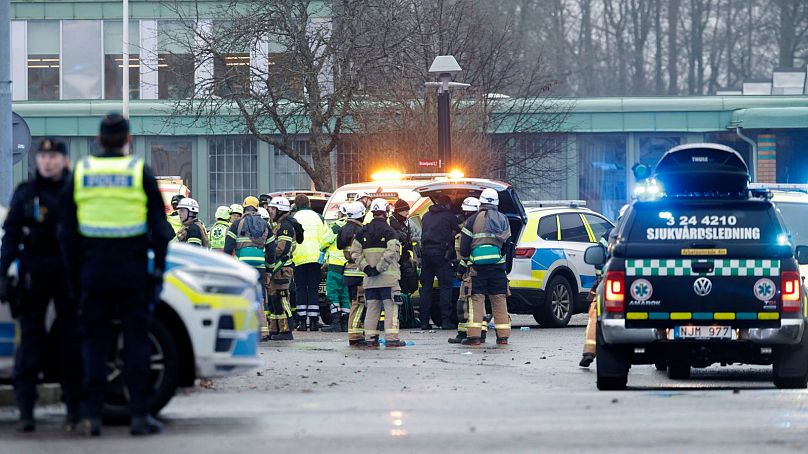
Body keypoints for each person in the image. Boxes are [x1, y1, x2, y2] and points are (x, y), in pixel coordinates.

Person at [60, 113, 173, 436]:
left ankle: (92, 417)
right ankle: (139, 416)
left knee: (94, 343)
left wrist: (74, 275)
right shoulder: (139, 172)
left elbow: (66, 231)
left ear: (98, 139)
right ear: (128, 140)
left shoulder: (81, 172)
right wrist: (158, 271)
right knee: (135, 342)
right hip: (132, 270)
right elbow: (161, 230)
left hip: (92, 271)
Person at [0, 138, 82, 433]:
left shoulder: (76, 192)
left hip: (68, 275)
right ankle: (26, 412)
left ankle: (74, 411)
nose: (47, 161)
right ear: (37, 161)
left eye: (53, 156)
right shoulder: (26, 193)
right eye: (43, 156)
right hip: (33, 274)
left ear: (64, 160)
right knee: (30, 344)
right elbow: (10, 236)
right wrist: (1, 273)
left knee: (72, 344)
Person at [458, 188, 512, 346]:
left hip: (478, 268)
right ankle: (503, 337)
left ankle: (474, 337)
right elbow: (507, 244)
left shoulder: (473, 220)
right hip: (498, 267)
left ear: (481, 201)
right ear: (496, 202)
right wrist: (499, 257)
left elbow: (465, 247)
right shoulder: (503, 219)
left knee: (476, 300)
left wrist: (468, 259)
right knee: (499, 300)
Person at [350, 199, 406, 348]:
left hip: (370, 280)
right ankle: (392, 338)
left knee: (372, 309)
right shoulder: (390, 231)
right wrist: (379, 268)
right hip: (388, 279)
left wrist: (367, 268)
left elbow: (355, 253)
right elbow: (392, 252)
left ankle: (370, 338)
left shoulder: (362, 231)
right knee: (391, 308)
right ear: (386, 212)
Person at [580, 204, 629, 367]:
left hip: (611, 284)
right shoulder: (647, 232)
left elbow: (598, 258)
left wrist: (600, 279)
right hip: (643, 288)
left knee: (595, 313)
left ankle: (589, 351)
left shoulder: (610, 235)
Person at [224, 196, 274, 341]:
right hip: (259, 265)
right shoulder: (265, 225)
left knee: (242, 295)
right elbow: (271, 250)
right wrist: (269, 270)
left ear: (244, 208)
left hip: (242, 265)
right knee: (259, 297)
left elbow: (228, 247)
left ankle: (244, 330)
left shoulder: (237, 224)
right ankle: (263, 331)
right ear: (257, 208)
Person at [449, 197, 487, 344]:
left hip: (471, 269)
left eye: (467, 212)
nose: (465, 215)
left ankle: (475, 333)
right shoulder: (471, 226)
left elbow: (466, 251)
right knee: (468, 302)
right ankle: (466, 332)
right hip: (470, 268)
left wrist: (461, 268)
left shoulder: (471, 228)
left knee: (470, 302)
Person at [419, 194, 460, 330]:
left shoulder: (426, 216)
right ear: (447, 205)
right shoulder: (449, 216)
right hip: (442, 255)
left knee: (426, 288)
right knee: (445, 287)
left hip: (426, 254)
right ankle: (446, 321)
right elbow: (461, 230)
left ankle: (424, 322)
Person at [264, 197, 298, 340]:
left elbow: (281, 249)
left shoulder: (285, 227)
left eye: (272, 209)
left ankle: (286, 330)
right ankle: (275, 328)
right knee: (274, 299)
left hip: (282, 268)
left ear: (280, 210)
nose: (270, 211)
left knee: (282, 298)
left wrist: (268, 253)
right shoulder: (279, 225)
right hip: (278, 267)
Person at [291, 194, 327, 331]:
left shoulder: (294, 218)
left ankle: (301, 322)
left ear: (296, 204)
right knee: (313, 289)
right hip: (315, 258)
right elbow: (326, 237)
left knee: (300, 289)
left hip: (298, 258)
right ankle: (313, 321)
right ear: (309, 203)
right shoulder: (318, 217)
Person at [339, 202, 368, 346]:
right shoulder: (361, 230)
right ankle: (355, 335)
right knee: (359, 304)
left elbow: (340, 245)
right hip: (360, 271)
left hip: (348, 271)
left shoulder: (343, 229)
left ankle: (357, 332)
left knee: (353, 303)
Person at [321, 203, 350, 332]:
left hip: (335, 266)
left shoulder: (336, 226)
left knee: (333, 294)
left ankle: (336, 322)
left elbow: (324, 242)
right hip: (349, 266)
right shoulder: (354, 226)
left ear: (341, 214)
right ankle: (346, 322)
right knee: (345, 295)